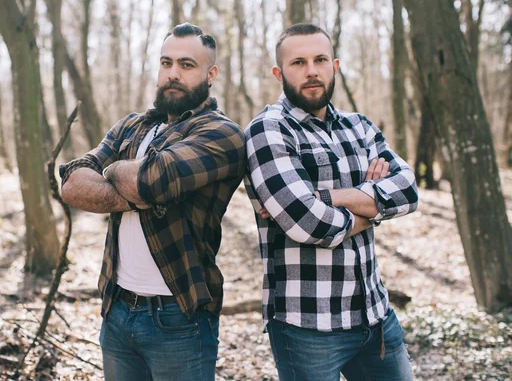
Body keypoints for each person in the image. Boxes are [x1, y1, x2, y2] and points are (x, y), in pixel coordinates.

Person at [60, 23, 246, 381]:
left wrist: (113, 172)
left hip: (179, 317)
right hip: (116, 311)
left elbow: (154, 181)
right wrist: (136, 192)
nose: (173, 74)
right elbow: (72, 183)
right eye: (166, 62)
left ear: (211, 74)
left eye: (187, 65)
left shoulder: (221, 134)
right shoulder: (132, 126)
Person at [244, 23, 418, 381]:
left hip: (375, 316)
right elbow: (310, 223)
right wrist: (372, 207)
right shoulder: (268, 131)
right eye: (298, 62)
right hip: (307, 327)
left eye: (320, 59)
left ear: (334, 65)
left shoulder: (360, 126)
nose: (311, 71)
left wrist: (326, 197)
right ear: (279, 72)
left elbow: (408, 190)